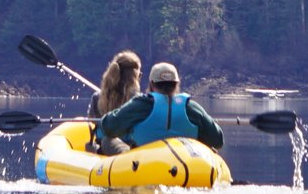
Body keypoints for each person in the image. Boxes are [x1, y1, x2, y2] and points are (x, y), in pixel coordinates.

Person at [93, 60, 224, 152]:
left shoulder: (141, 105)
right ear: (176, 84)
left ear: (151, 84)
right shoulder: (191, 107)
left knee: (107, 140)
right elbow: (218, 140)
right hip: (186, 164)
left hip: (145, 164)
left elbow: (109, 127)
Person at [87, 50, 144, 153]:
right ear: (134, 78)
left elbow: (91, 119)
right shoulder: (139, 102)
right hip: (123, 149)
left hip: (103, 147)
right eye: (139, 75)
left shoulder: (97, 98)